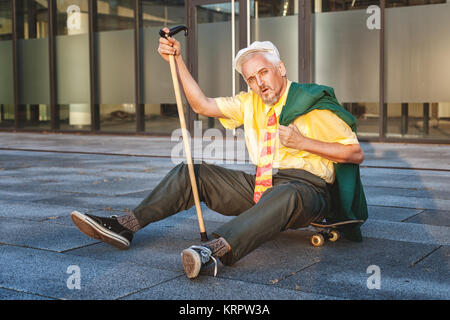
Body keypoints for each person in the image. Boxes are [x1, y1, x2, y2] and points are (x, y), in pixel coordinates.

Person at [70, 28, 368, 279]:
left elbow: (355, 154)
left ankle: (214, 250)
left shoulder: (311, 101)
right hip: (262, 185)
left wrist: (303, 142)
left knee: (287, 193)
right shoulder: (249, 102)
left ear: (280, 68)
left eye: (263, 72)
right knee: (195, 172)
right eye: (251, 78)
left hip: (308, 191)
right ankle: (127, 226)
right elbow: (202, 105)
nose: (258, 83)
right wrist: (176, 61)